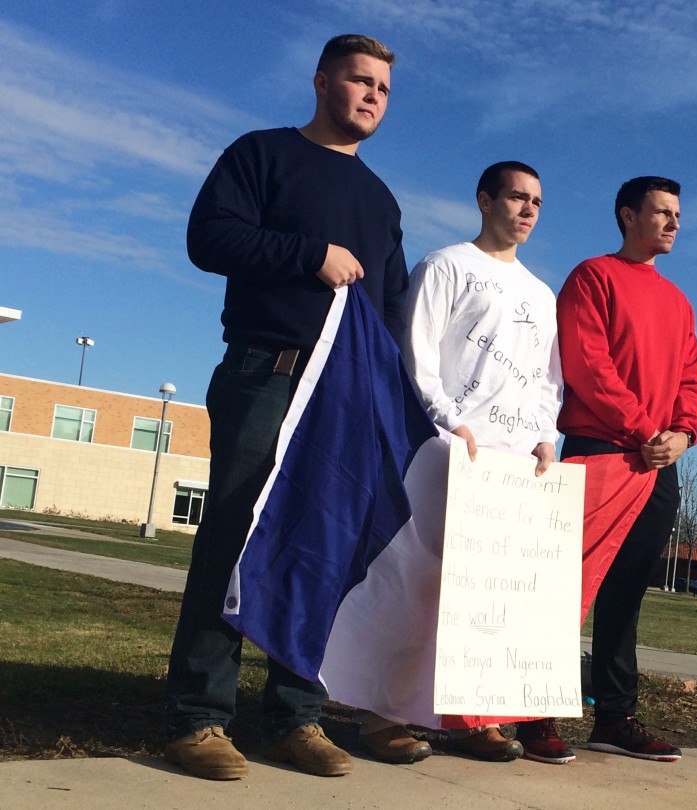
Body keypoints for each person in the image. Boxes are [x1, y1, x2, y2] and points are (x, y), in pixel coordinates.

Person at [164, 34, 407, 781]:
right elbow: (210, 237)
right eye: (359, 81)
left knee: (324, 553)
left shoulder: (381, 199)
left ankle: (296, 717)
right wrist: (310, 254)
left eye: (383, 89)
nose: (372, 96)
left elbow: (391, 308)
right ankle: (200, 719)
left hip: (344, 400)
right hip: (266, 375)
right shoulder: (261, 154)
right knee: (235, 538)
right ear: (321, 81)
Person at [354, 161, 564, 765]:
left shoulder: (539, 293)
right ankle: (381, 717)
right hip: (446, 448)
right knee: (417, 584)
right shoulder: (446, 266)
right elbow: (414, 353)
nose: (527, 211)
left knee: (491, 599)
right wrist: (447, 419)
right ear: (484, 200)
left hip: (510, 465)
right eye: (517, 198)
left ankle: (477, 718)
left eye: (537, 203)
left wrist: (545, 436)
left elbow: (548, 382)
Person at [555, 176, 697, 762]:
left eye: (677, 214)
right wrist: (644, 429)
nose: (673, 223)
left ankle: (614, 718)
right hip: (599, 450)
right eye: (661, 212)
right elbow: (587, 363)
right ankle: (534, 711)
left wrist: (683, 434)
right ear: (627, 216)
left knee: (625, 595)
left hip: (657, 465)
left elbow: (691, 375)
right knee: (566, 587)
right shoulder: (592, 277)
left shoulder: (678, 301)